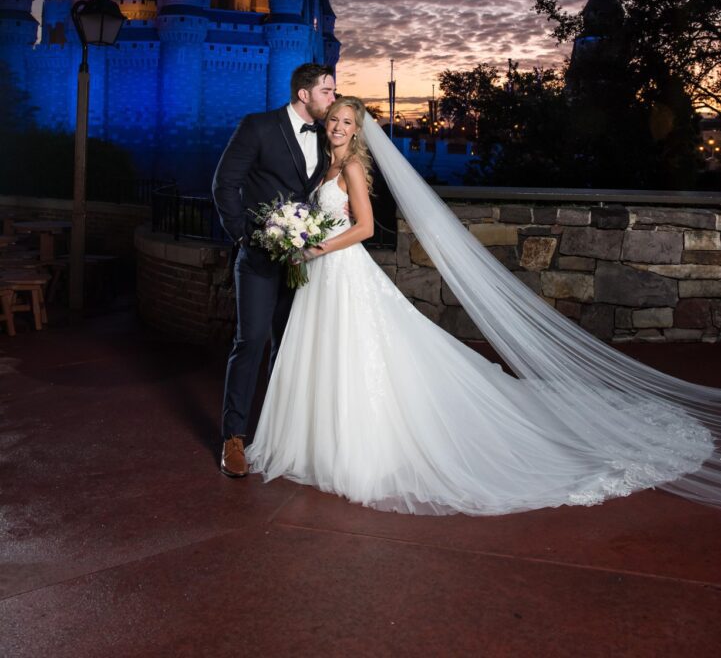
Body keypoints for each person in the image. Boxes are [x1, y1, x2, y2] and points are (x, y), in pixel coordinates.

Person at [246, 96, 721, 516]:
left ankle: (354, 450)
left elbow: (367, 229)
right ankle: (312, 443)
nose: (339, 127)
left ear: (358, 129)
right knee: (322, 353)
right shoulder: (322, 165)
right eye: (335, 120)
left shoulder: (350, 167)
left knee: (358, 352)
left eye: (348, 122)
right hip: (318, 275)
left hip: (341, 270)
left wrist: (315, 248)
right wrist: (298, 236)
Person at [212, 63, 336, 478]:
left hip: (306, 261)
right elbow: (224, 184)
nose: (332, 99)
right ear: (304, 94)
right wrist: (245, 237)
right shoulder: (258, 126)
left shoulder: (326, 134)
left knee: (291, 347)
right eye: (327, 92)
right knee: (251, 342)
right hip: (260, 258)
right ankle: (233, 437)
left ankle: (281, 434)